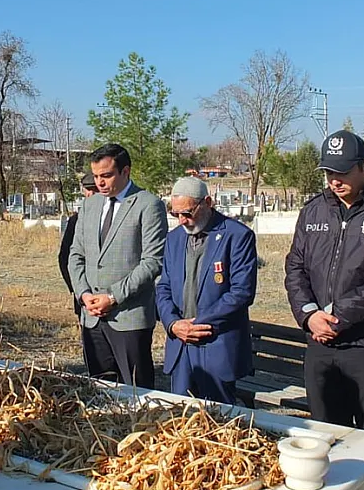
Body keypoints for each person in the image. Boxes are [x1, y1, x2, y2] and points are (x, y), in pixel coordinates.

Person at [284, 130, 364, 433]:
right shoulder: (314, 210)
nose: (334, 179)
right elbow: (295, 267)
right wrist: (308, 314)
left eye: (342, 171)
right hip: (320, 341)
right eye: (329, 171)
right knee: (326, 436)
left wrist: (336, 315)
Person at [67, 143, 166, 390]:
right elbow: (75, 254)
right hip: (91, 317)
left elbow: (153, 261)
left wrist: (113, 297)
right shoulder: (89, 206)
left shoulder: (148, 205)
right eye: (96, 176)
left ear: (125, 172)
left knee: (136, 391)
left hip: (128, 316)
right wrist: (85, 294)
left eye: (106, 175)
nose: (99, 182)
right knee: (100, 390)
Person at [156, 177, 257, 404]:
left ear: (208, 203)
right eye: (175, 214)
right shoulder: (174, 239)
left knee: (219, 418)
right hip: (181, 344)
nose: (182, 220)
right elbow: (164, 286)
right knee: (180, 418)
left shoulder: (237, 236)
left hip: (216, 343)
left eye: (187, 213)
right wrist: (173, 324)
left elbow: (241, 292)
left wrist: (198, 323)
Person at [58, 172, 99, 320]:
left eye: (95, 190)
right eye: (88, 190)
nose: (91, 193)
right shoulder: (76, 220)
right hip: (83, 296)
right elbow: (65, 257)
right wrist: (77, 288)